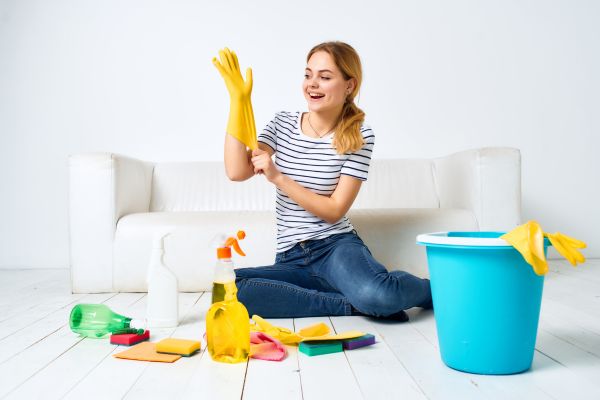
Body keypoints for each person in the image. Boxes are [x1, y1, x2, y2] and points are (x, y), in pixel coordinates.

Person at [215, 41, 432, 321]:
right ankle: (354, 305)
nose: (312, 84)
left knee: (380, 294)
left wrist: (278, 178)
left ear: (349, 85)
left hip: (336, 249)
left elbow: (334, 210)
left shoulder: (358, 135)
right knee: (228, 290)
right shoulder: (283, 124)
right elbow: (236, 171)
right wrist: (238, 101)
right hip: (291, 258)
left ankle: (431, 291)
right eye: (308, 75)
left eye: (325, 77)